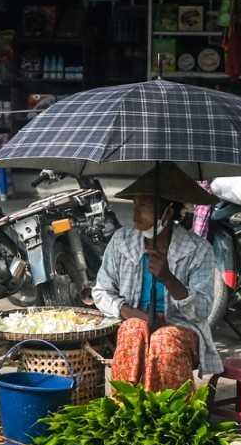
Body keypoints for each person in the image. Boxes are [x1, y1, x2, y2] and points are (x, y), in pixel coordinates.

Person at [93, 165, 222, 389]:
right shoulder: (121, 241)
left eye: (143, 206)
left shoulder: (198, 249)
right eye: (134, 204)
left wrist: (168, 279)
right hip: (132, 326)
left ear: (168, 212)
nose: (134, 213)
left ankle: (170, 416)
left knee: (165, 340)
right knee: (134, 329)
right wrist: (135, 314)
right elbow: (101, 291)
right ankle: (126, 410)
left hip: (182, 330)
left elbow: (202, 310)